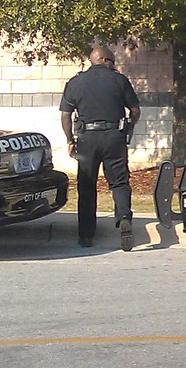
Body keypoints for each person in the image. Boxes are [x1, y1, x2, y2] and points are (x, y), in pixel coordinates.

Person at [59, 46, 141, 250]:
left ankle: (86, 236)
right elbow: (135, 110)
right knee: (120, 182)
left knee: (87, 186)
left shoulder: (75, 82)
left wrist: (70, 139)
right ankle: (123, 218)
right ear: (104, 60)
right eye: (112, 61)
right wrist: (129, 127)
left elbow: (65, 115)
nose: (113, 65)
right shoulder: (119, 80)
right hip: (114, 137)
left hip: (87, 139)